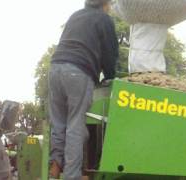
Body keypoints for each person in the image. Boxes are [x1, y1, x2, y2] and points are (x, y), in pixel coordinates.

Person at [48, 0, 119, 179]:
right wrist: (111, 76)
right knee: (75, 126)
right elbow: (110, 55)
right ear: (106, 4)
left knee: (58, 123)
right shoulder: (104, 19)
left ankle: (54, 170)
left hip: (55, 69)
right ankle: (72, 176)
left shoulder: (76, 15)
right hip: (78, 72)